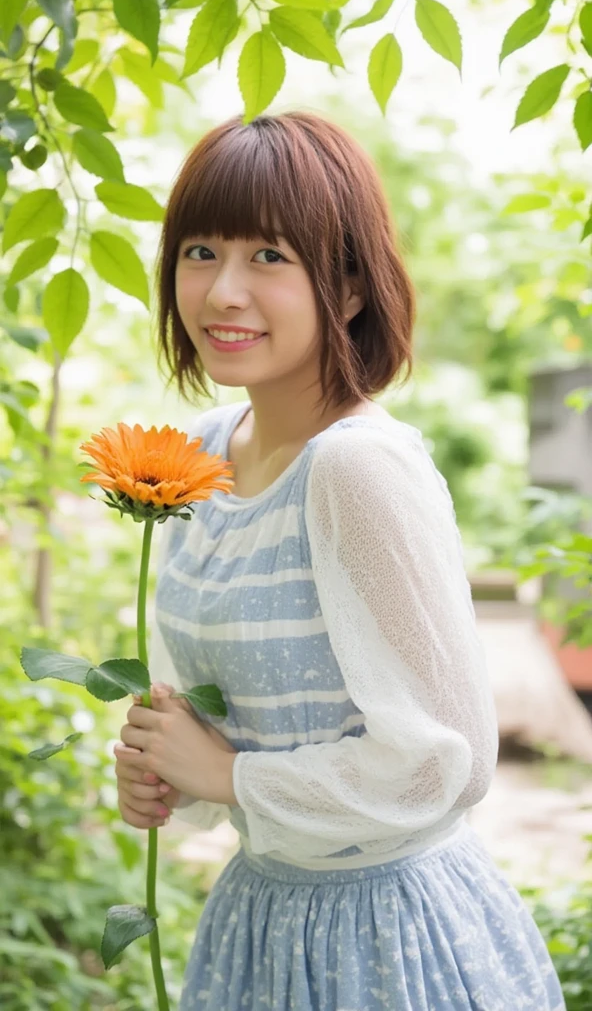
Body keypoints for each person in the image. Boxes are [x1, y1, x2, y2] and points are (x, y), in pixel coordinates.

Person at [113, 110, 566, 1011]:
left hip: (386, 941)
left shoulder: (358, 469)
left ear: (351, 287)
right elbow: (205, 716)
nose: (221, 293)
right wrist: (164, 763)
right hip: (258, 921)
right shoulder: (200, 453)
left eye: (270, 257)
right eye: (199, 251)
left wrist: (228, 776)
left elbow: (452, 762)